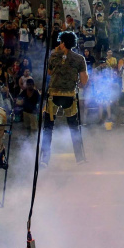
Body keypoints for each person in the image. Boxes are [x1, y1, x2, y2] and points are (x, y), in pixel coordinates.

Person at [41, 31, 89, 166]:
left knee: (48, 128)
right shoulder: (79, 59)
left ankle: (45, 158)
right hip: (69, 95)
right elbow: (84, 80)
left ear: (62, 43)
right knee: (74, 127)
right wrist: (78, 83)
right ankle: (79, 158)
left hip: (53, 95)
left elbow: (49, 72)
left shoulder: (54, 56)